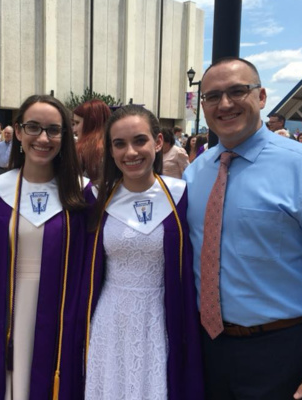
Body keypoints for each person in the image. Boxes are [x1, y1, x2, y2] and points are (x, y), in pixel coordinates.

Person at [183, 57, 302, 400]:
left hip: (281, 350)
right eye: (212, 96)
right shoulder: (195, 173)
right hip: (207, 350)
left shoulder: (296, 166)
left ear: (262, 96)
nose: (224, 104)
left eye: (238, 91)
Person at [0, 95, 88, 400]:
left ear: (65, 136)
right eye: (33, 127)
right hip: (4, 308)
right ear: (18, 132)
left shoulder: (83, 193)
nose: (43, 138)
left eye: (53, 130)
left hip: (60, 312)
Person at [83, 105, 204, 399]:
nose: (130, 152)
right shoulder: (95, 198)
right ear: (110, 151)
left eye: (140, 140)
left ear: (158, 142)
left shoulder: (180, 195)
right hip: (111, 318)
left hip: (160, 316)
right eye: (119, 144)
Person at [73, 99, 111, 183]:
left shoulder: (80, 150)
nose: (74, 129)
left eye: (77, 123)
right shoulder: (115, 148)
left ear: (91, 122)